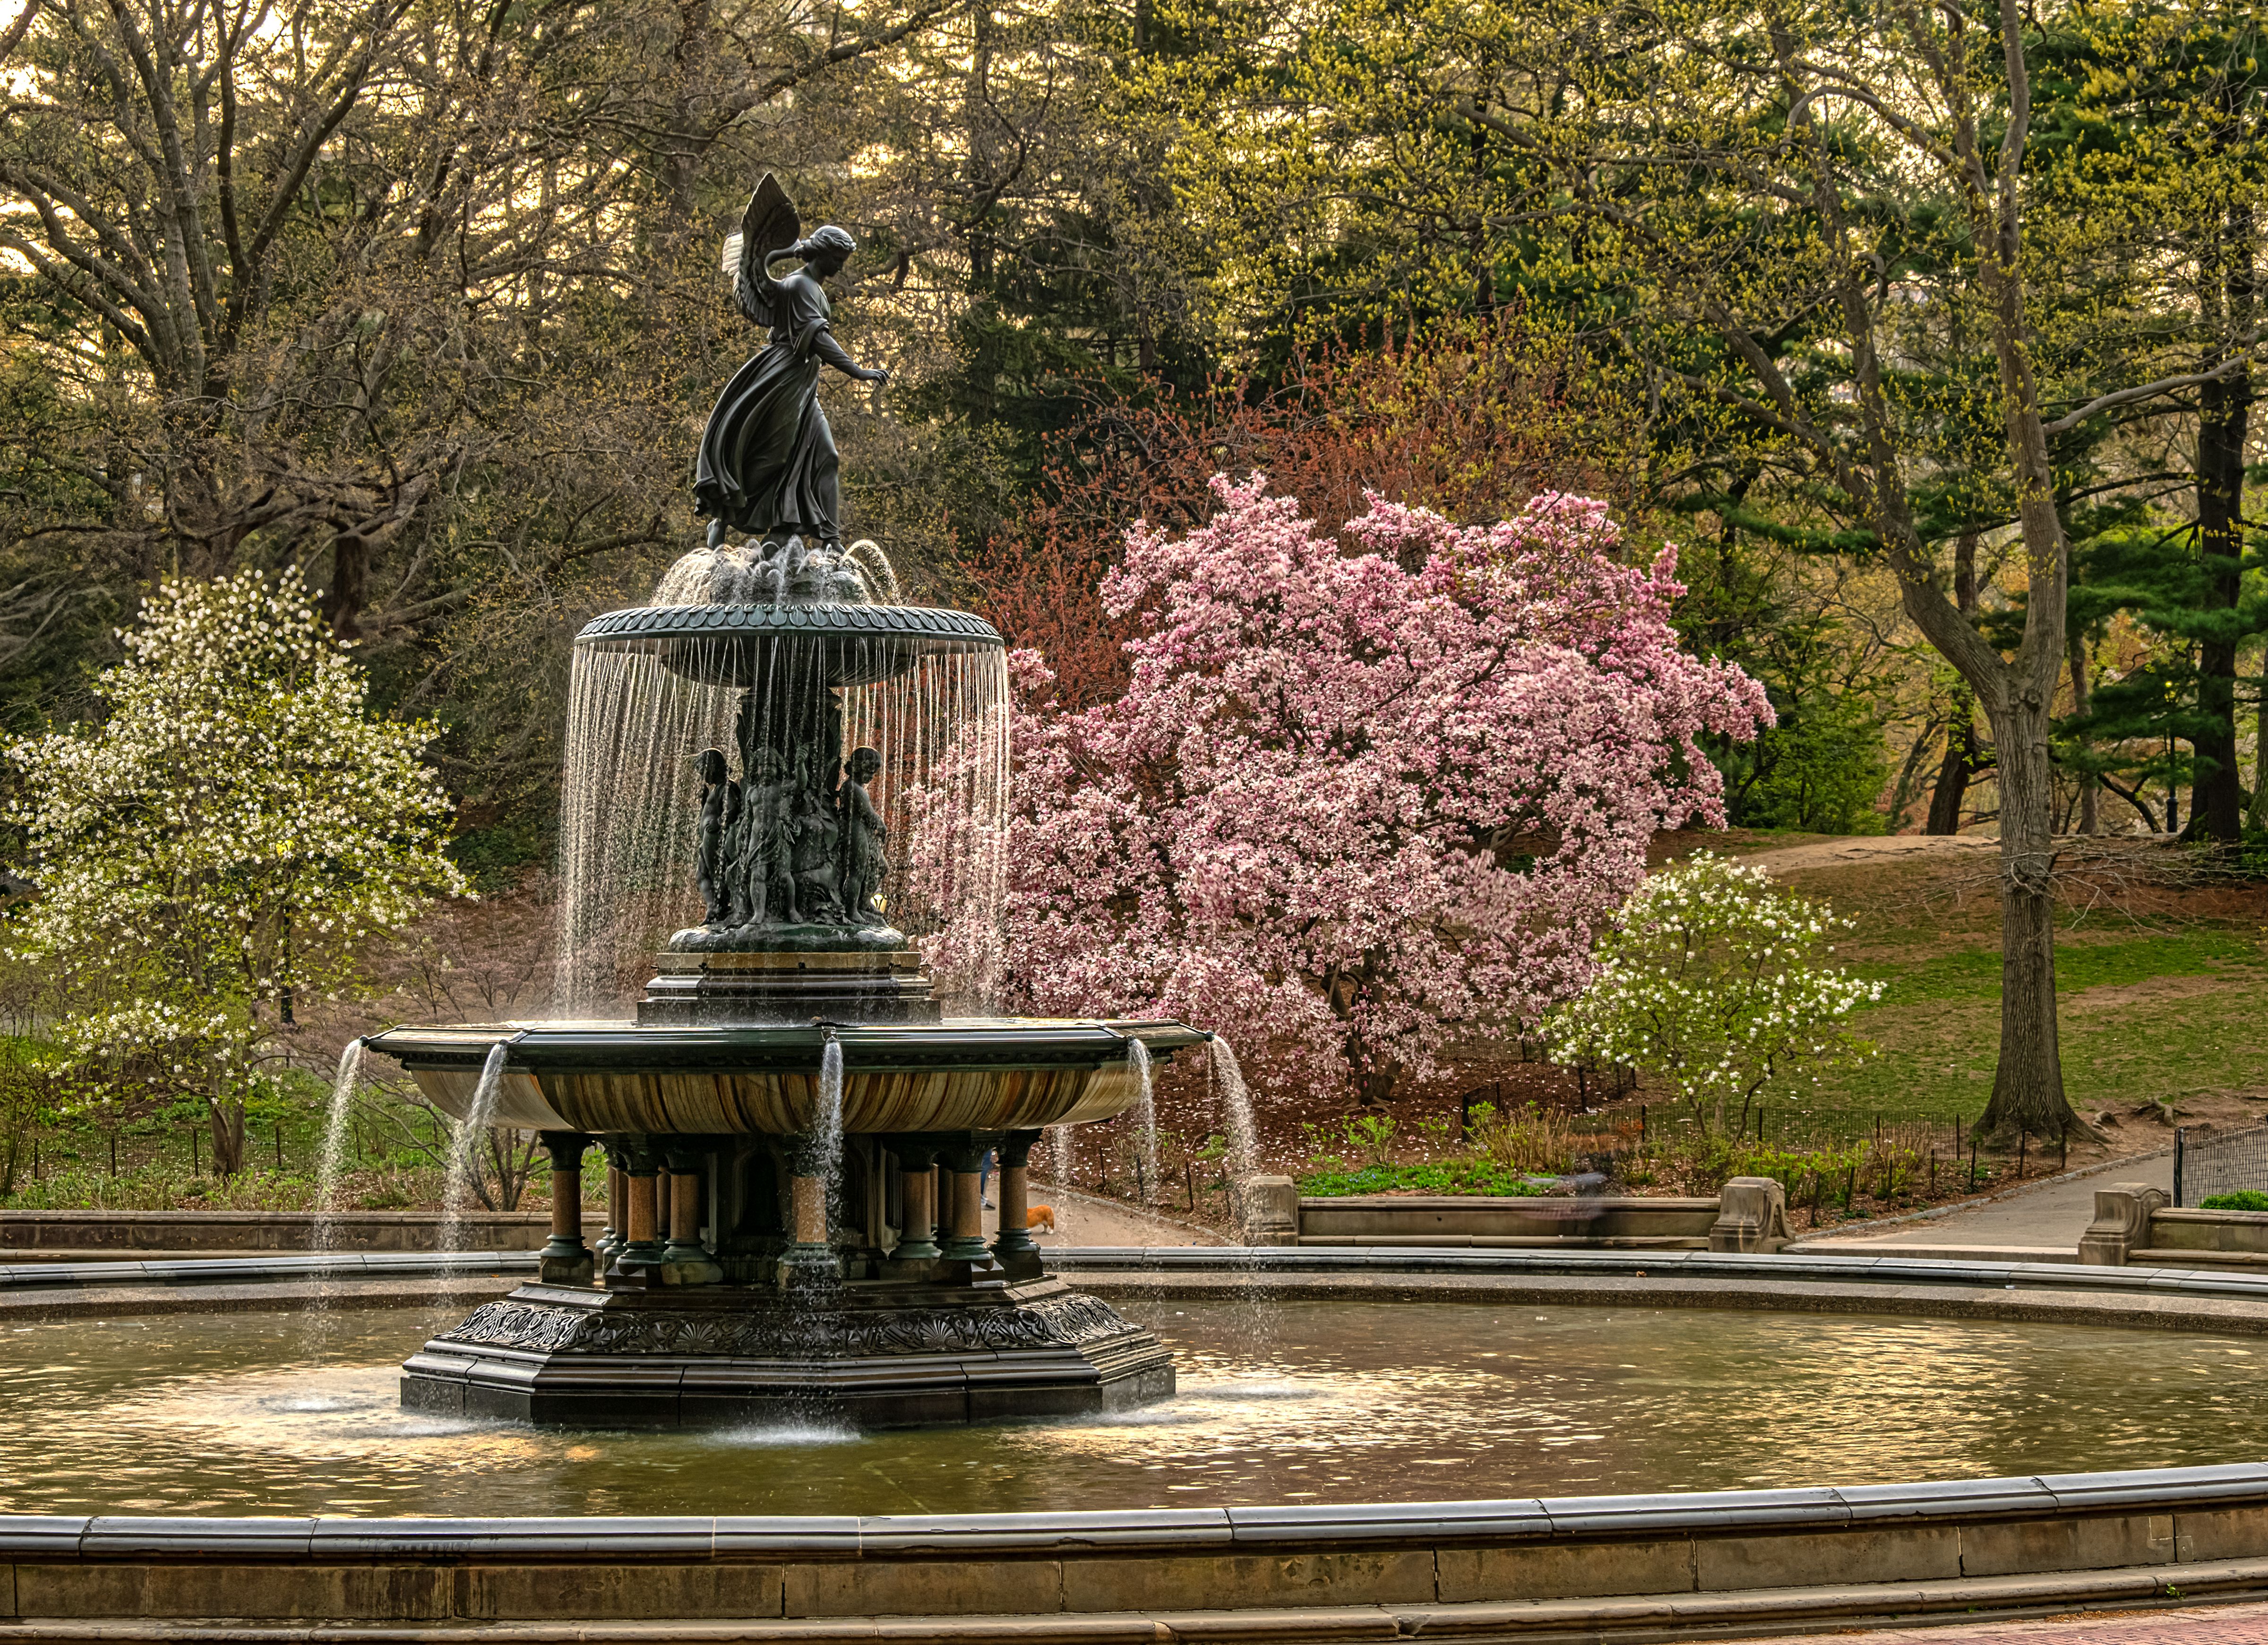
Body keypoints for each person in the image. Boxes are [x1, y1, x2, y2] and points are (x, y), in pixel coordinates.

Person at [694, 225, 888, 548]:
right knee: (775, 457)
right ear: (823, 255)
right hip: (784, 378)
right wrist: (858, 371)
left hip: (804, 383)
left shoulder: (813, 287)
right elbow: (820, 340)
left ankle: (829, 537)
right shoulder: (800, 285)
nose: (841, 266)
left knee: (827, 454)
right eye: (838, 259)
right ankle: (724, 517)